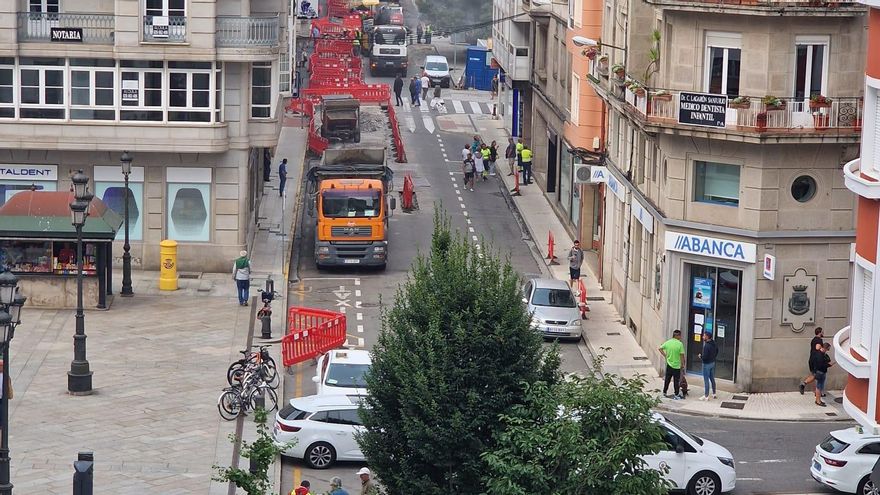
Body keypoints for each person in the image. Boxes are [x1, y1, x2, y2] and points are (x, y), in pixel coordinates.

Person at [659, 330, 686, 399]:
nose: (680, 337)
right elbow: (682, 355)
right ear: (677, 336)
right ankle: (676, 394)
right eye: (680, 335)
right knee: (676, 381)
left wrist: (665, 356)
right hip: (677, 366)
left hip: (669, 364)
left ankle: (664, 392)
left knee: (667, 380)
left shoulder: (668, 342)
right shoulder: (680, 344)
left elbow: (660, 348)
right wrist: (683, 364)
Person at [799, 327, 824, 395]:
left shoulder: (813, 339)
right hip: (816, 360)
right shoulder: (819, 340)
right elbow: (817, 348)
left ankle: (816, 391)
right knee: (817, 375)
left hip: (812, 359)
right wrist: (823, 348)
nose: (823, 333)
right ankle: (804, 384)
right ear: (819, 332)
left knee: (814, 375)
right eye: (822, 332)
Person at [698, 332, 718, 401]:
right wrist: (713, 357)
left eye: (704, 336)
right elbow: (717, 351)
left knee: (706, 380)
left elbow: (705, 357)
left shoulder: (706, 346)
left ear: (707, 337)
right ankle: (714, 393)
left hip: (706, 364)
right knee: (712, 378)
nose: (703, 337)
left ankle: (706, 396)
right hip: (712, 363)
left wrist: (701, 356)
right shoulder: (714, 343)